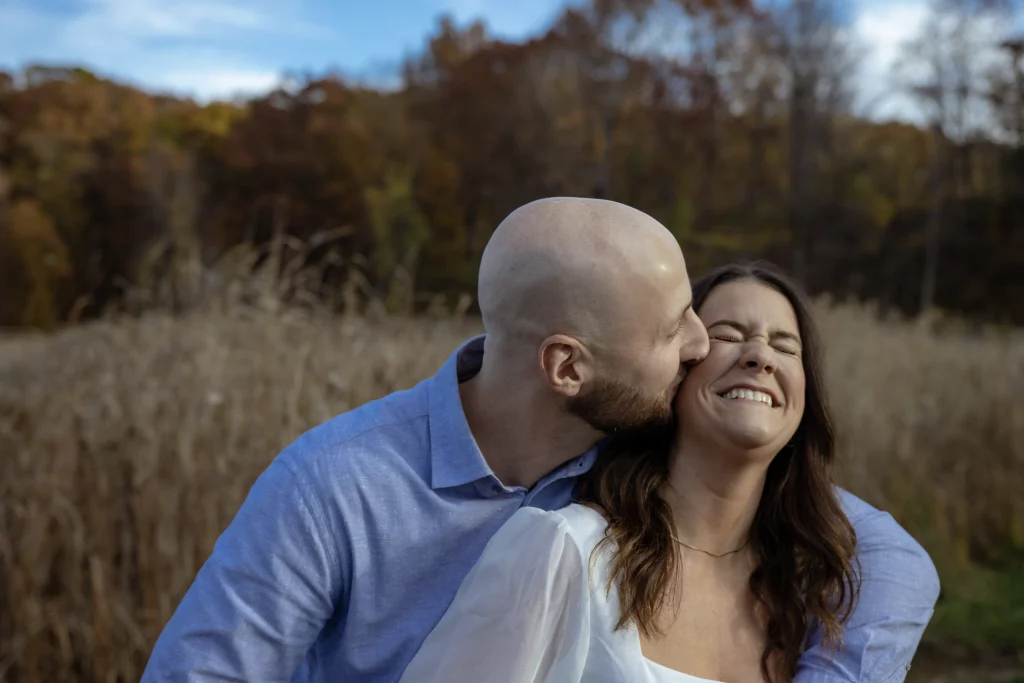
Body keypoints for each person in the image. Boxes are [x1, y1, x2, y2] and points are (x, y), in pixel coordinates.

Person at [141, 198, 939, 683]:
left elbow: (864, 538)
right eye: (676, 331)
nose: (701, 346)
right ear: (567, 366)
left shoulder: (626, 446)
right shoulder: (335, 484)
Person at [399, 262, 938, 683]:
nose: (760, 356)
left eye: (784, 345)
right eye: (728, 334)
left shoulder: (804, 595)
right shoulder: (563, 553)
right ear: (676, 368)